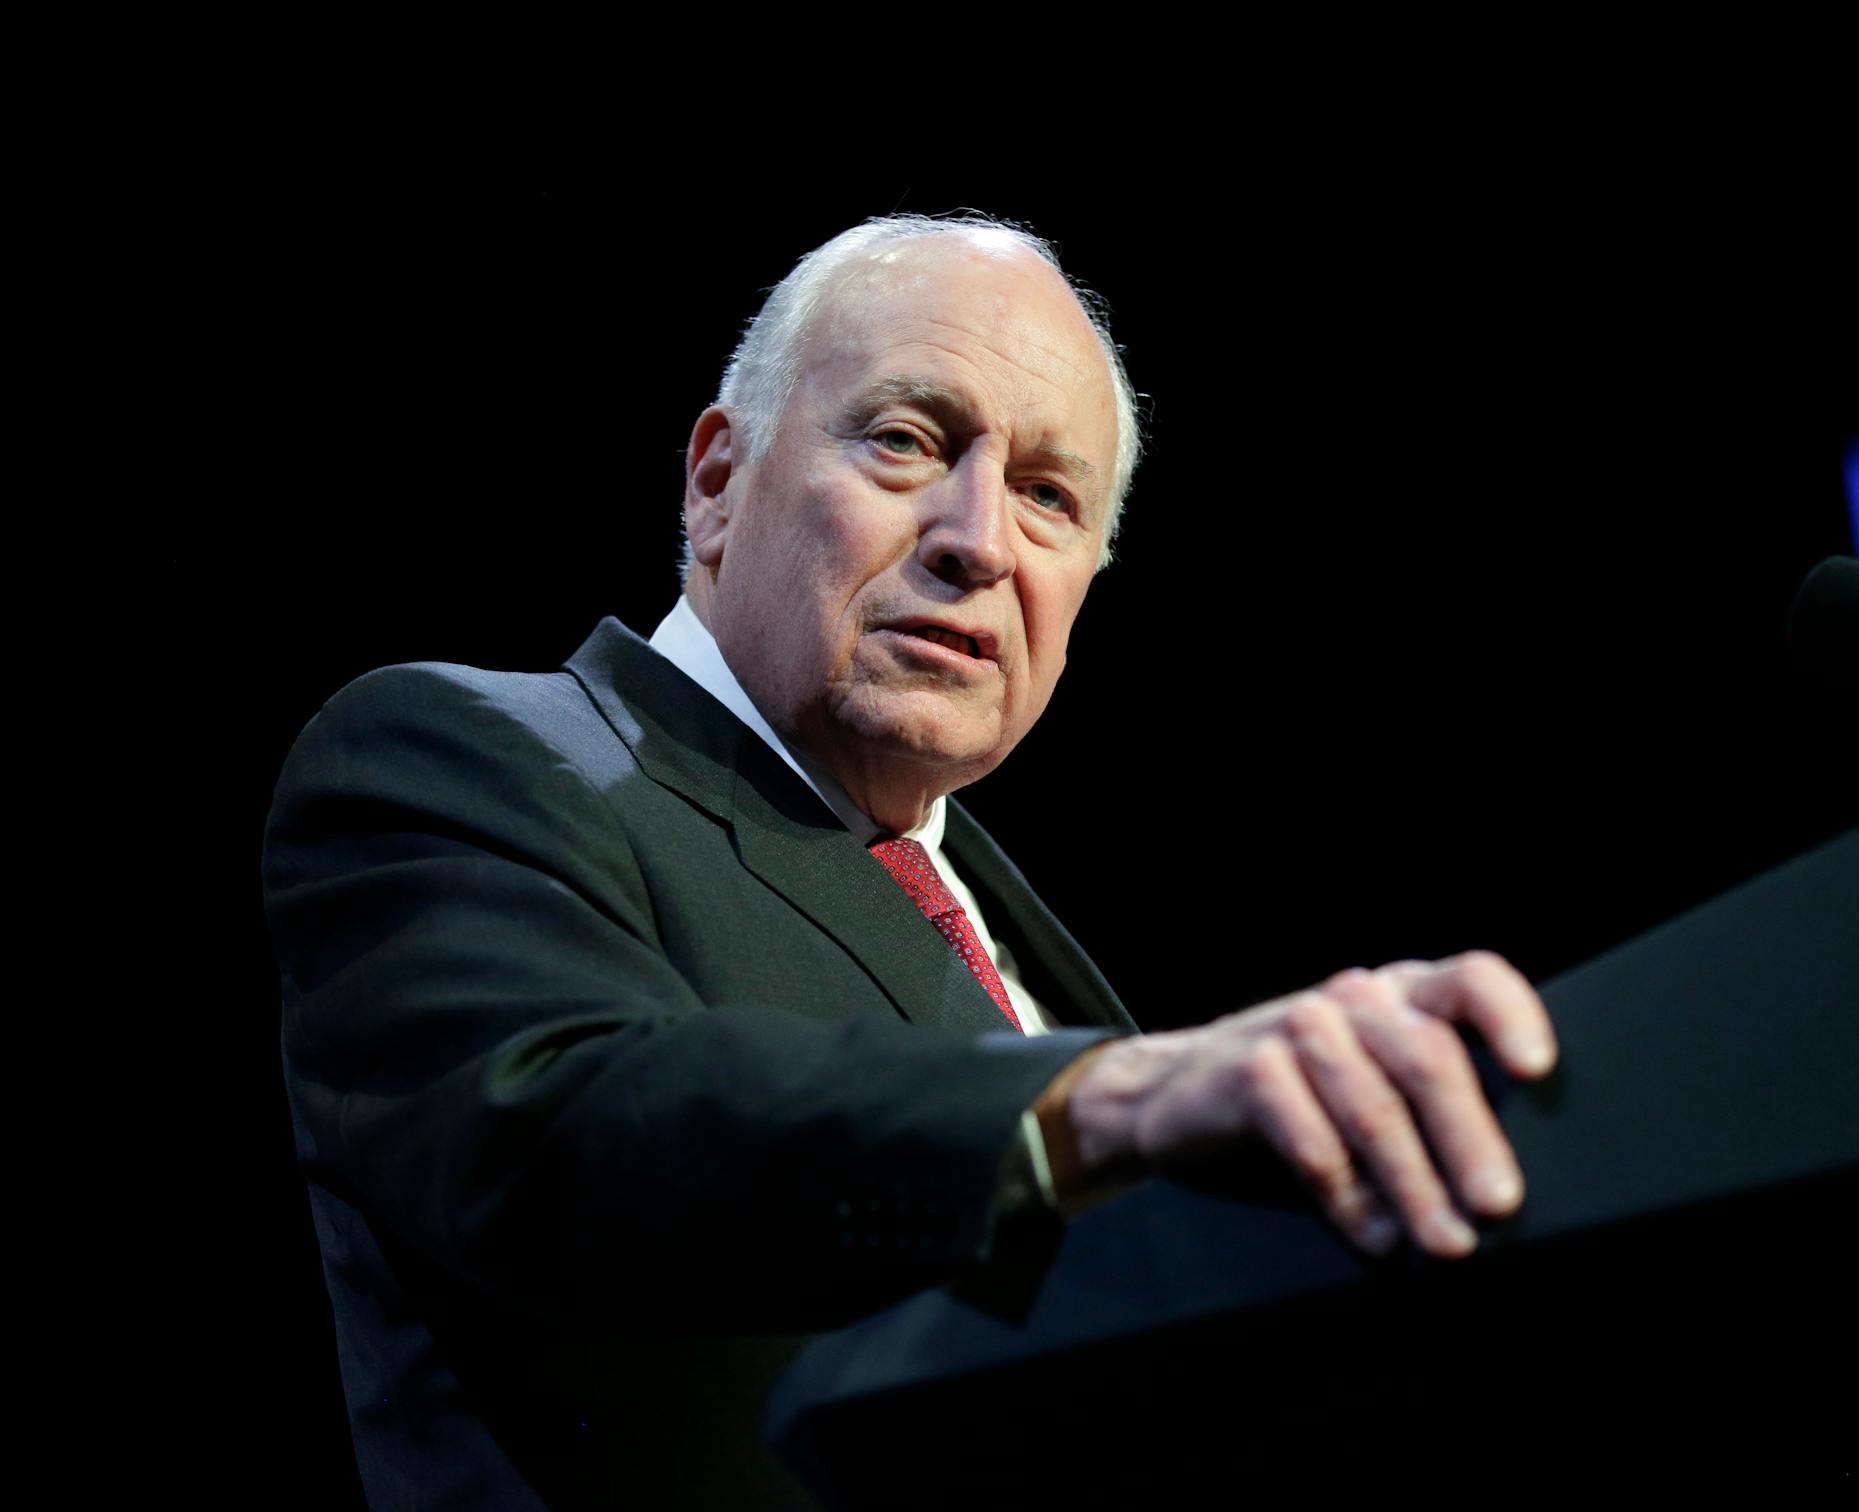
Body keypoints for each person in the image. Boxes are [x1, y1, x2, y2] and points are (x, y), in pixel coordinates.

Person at [264, 213, 1559, 1508]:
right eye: (907, 441)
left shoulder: (995, 917)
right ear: (717, 480)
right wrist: (1104, 1104)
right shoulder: (467, 754)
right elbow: (552, 1131)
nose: (979, 538)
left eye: (1050, 497)